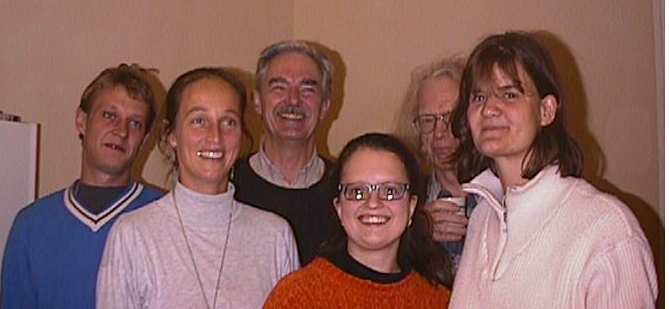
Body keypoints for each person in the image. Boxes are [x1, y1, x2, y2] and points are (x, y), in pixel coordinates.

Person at [449, 31, 658, 308]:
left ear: (546, 111)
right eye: (478, 97)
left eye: (509, 94)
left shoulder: (607, 230)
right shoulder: (482, 217)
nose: (488, 109)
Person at [96, 67, 299, 308]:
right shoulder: (134, 236)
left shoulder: (275, 238)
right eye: (199, 121)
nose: (215, 137)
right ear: (171, 134)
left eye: (229, 122)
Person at [0, 63, 164, 309]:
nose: (121, 131)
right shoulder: (31, 225)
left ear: (144, 141)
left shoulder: (168, 219)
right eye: (110, 116)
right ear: (82, 121)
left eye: (135, 123)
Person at [263, 132, 452, 308]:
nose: (373, 203)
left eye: (390, 191)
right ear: (339, 207)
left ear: (411, 206)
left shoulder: (439, 302)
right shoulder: (297, 297)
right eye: (358, 192)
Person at [232, 40, 338, 265]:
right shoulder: (228, 185)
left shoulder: (346, 190)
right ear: (257, 101)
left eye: (307, 89)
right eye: (279, 88)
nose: (293, 100)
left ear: (325, 106)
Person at [396, 56, 471, 271]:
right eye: (428, 120)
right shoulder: (405, 200)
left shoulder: (504, 194)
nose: (439, 132)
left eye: (450, 118)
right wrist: (417, 231)